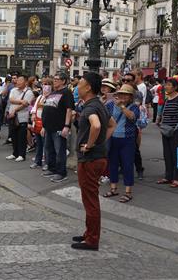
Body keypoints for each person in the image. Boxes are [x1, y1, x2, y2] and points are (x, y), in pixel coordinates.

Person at [71, 72, 116, 251]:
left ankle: (92, 239)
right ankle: (89, 233)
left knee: (90, 200)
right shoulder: (99, 104)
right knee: (90, 198)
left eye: (80, 84)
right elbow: (112, 124)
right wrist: (100, 142)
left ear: (88, 87)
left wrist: (90, 145)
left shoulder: (90, 107)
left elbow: (96, 125)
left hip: (90, 159)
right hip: (98, 157)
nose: (77, 87)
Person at [104, 84, 140, 203]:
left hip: (127, 139)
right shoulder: (110, 105)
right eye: (121, 94)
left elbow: (133, 118)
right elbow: (103, 114)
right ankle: (113, 188)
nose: (123, 96)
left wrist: (123, 107)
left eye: (126, 94)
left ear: (130, 97)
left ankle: (128, 192)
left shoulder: (134, 107)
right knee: (112, 164)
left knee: (127, 165)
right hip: (113, 138)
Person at [156, 78, 178, 188]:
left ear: (175, 87)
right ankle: (168, 176)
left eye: (169, 85)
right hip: (166, 130)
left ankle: (177, 178)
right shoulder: (167, 99)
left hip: (177, 131)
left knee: (177, 155)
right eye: (165, 85)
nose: (166, 87)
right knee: (167, 154)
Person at [41, 72, 75, 183]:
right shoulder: (53, 92)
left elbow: (69, 110)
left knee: (59, 150)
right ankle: (52, 168)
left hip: (59, 127)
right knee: (49, 149)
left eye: (56, 79)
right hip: (49, 126)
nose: (54, 81)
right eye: (54, 79)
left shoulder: (67, 92)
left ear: (63, 81)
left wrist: (66, 126)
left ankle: (61, 173)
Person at [6, 75, 34, 162]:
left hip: (22, 117)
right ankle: (15, 153)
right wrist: (21, 101)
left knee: (21, 136)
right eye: (17, 80)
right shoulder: (13, 90)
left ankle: (22, 155)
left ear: (25, 82)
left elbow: (26, 104)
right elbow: (11, 100)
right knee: (13, 135)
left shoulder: (29, 92)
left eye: (20, 80)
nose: (17, 82)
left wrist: (15, 109)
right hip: (12, 116)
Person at [29, 77, 52, 169]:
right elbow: (34, 108)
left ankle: (47, 163)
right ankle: (37, 161)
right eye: (43, 84)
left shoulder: (52, 97)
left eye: (47, 84)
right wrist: (33, 114)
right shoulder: (40, 97)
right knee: (39, 144)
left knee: (46, 145)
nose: (45, 86)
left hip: (46, 123)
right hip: (37, 122)